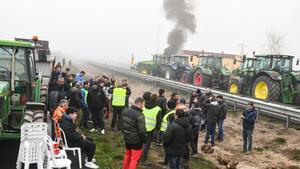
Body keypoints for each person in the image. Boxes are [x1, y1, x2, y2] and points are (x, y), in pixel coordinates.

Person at [122, 97, 148, 169]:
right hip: (137, 141)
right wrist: (145, 140)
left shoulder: (125, 111)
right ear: (139, 104)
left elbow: (122, 124)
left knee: (127, 155)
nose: (143, 106)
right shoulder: (140, 115)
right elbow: (142, 131)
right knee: (134, 159)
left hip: (127, 138)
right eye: (143, 104)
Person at [140, 93, 162, 165]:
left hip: (141, 127)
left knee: (140, 143)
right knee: (146, 145)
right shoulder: (157, 109)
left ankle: (137, 157)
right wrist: (156, 129)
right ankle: (143, 160)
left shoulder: (143, 106)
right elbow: (159, 121)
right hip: (151, 129)